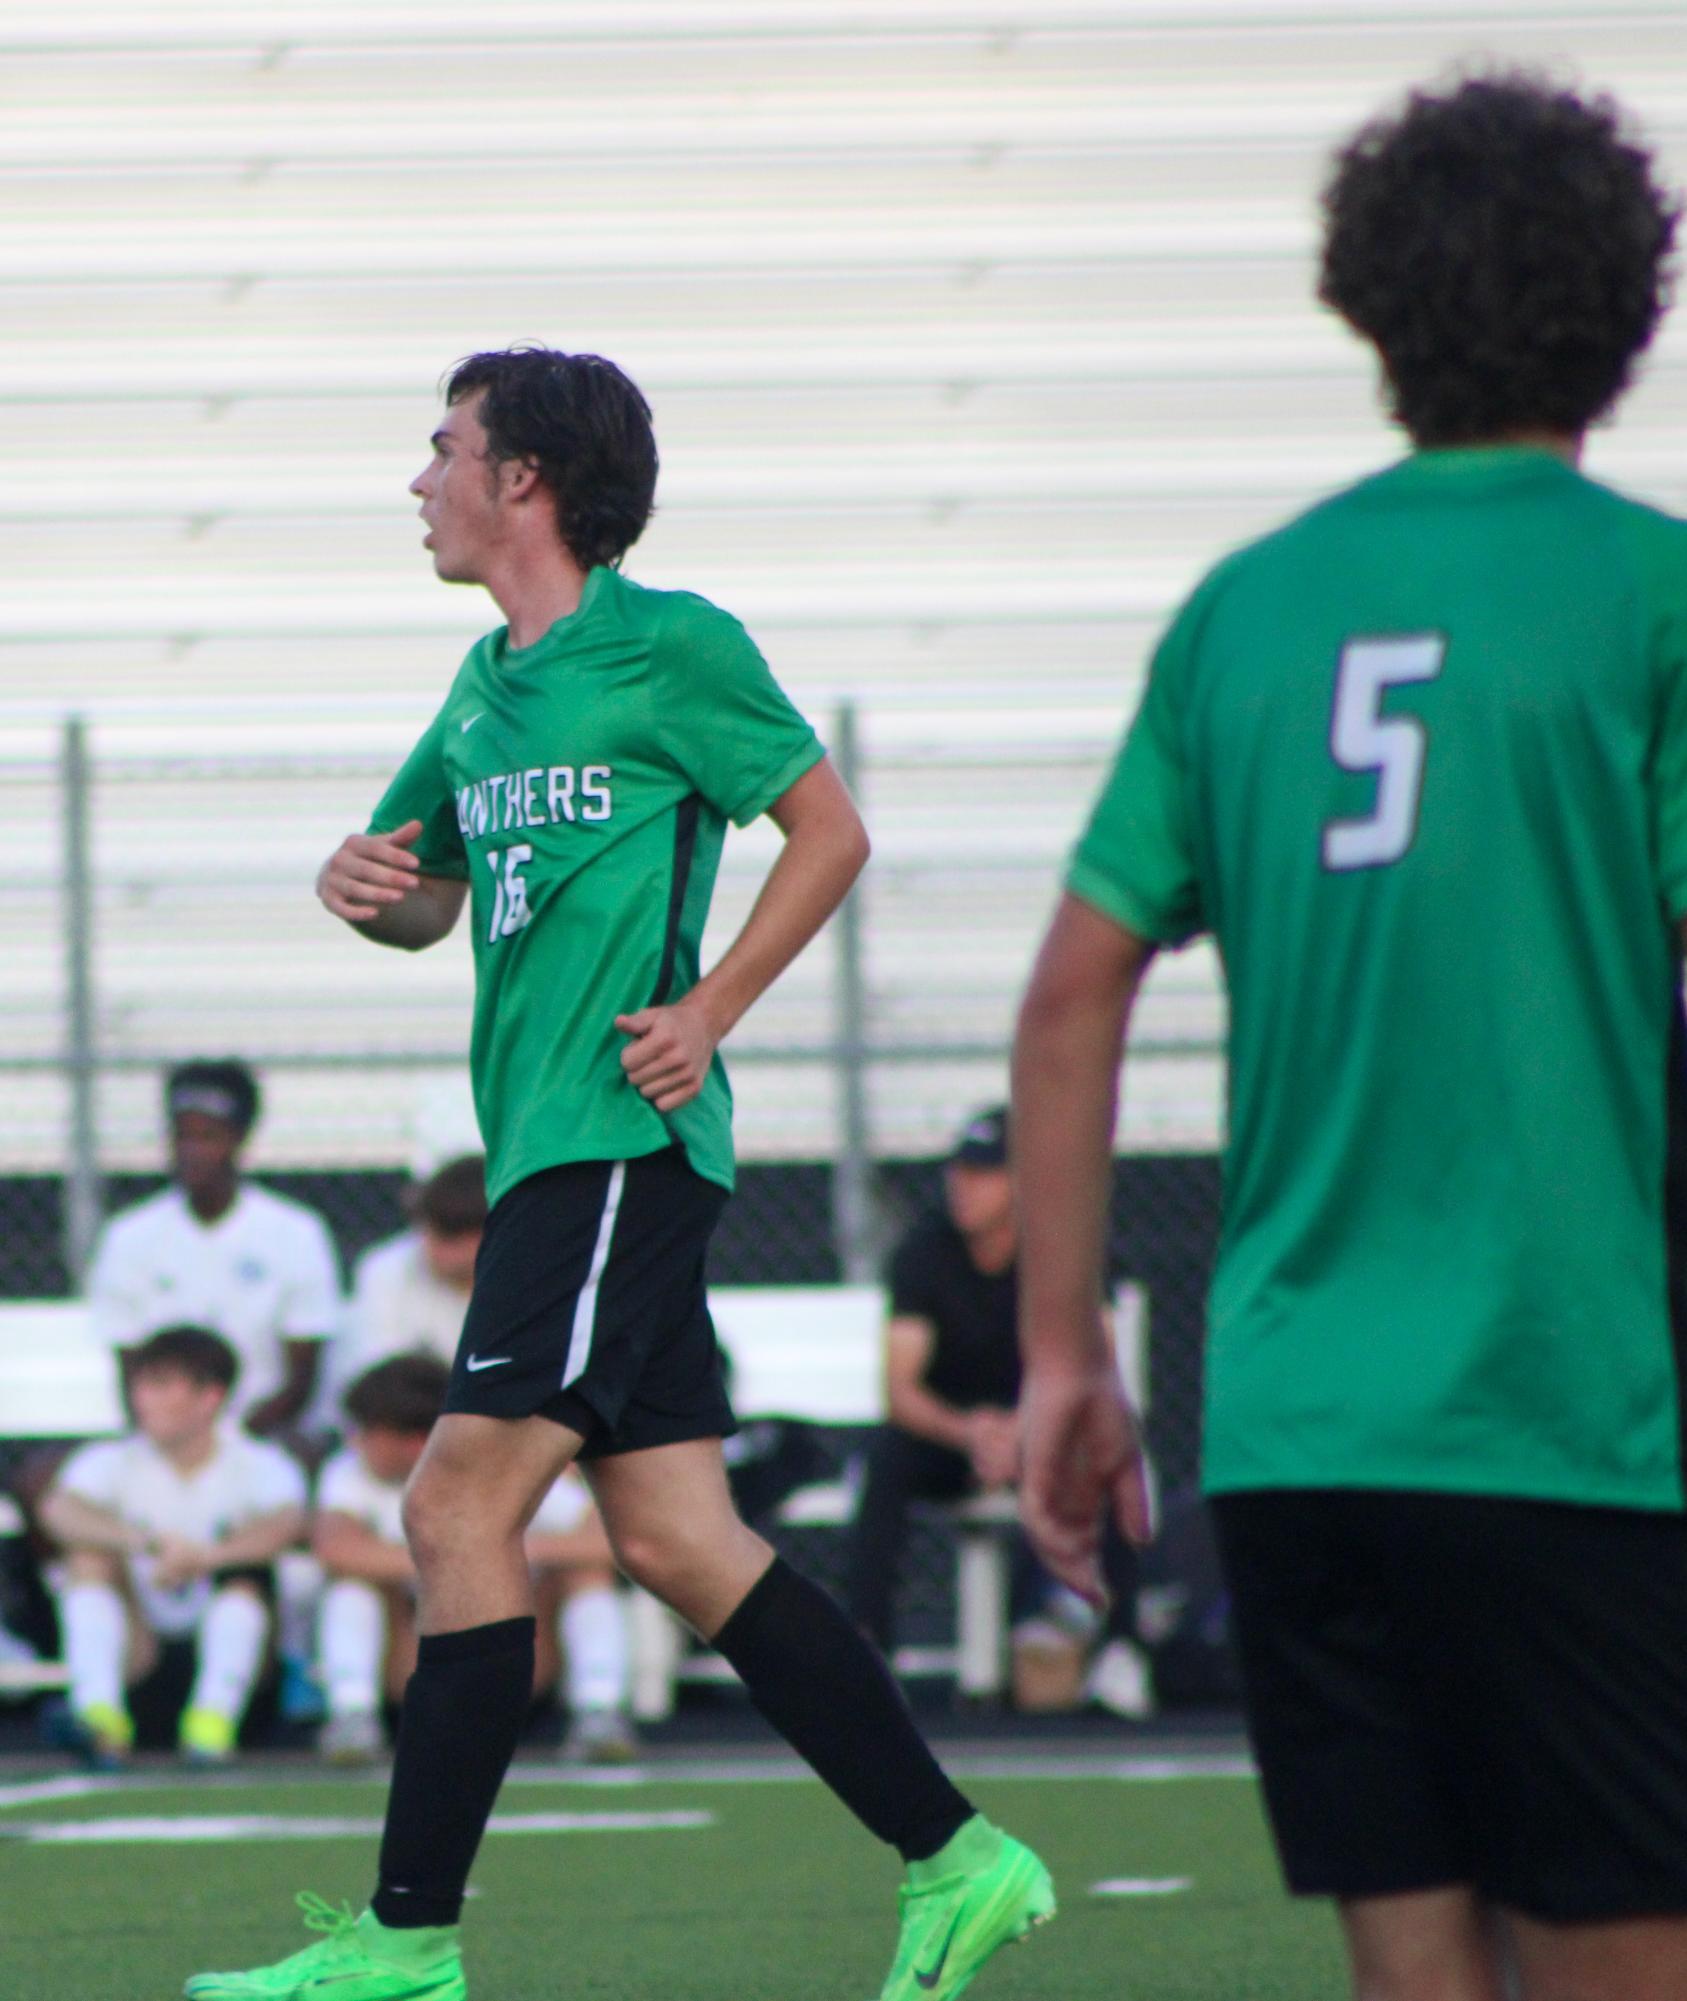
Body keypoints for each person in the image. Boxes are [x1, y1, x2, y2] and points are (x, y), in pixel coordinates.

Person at [185, 346, 1052, 2001]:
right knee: (675, 1539)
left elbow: (829, 828)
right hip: (543, 1163)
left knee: (453, 1501)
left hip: (616, 1148)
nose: (417, 479)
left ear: (523, 478)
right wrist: (362, 886)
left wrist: (711, 1006)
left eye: (439, 447)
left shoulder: (673, 647)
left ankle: (410, 1941)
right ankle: (961, 1858)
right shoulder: (477, 683)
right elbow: (427, 893)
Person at [1013, 72, 1687, 2001]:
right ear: (1627, 303)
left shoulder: (1245, 607)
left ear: (1367, 306)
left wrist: (1065, 1352)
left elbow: (1071, 989)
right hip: (1567, 1412)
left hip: (1301, 1433)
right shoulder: (1641, 591)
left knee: (1415, 1975)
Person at [843, 1107, 1146, 1713]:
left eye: (984, 1173)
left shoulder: (1068, 1248)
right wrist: (971, 1432)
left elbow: (1096, 1369)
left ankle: (1121, 1650)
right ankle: (869, 1651)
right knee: (885, 1462)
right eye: (960, 1171)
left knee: (1114, 1456)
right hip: (955, 1438)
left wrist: (1027, 1431)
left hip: (1047, 1430)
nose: (964, 1186)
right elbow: (900, 1388)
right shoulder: (924, 1253)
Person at [315, 1353, 633, 1765]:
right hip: (412, 1663)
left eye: (367, 1431)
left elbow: (608, 1541)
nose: (356, 1442)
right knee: (352, 1587)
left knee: (586, 1575)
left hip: (515, 1661)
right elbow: (335, 1550)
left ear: (414, 1439)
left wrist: (514, 1550)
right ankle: (352, 1714)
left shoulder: (502, 1469)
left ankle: (598, 1708)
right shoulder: (351, 1474)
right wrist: (462, 1560)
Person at [38, 1326, 308, 1766]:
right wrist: (148, 1543)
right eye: (141, 1385)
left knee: (246, 1579)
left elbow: (287, 1525)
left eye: (161, 1385)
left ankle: (212, 1723)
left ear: (210, 1397)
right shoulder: (110, 1460)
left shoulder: (258, 1463)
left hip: (243, 1674)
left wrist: (206, 1558)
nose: (144, 1399)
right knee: (88, 1560)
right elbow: (60, 1511)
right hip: (140, 1654)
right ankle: (100, 1717)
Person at [87, 1060, 341, 1439]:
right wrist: (175, 1436)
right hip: (161, 1438)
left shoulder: (296, 1232)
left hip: (264, 1438)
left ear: (239, 1139)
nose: (191, 1151)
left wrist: (231, 1443)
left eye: (207, 1137)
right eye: (181, 1137)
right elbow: (130, 1370)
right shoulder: (129, 1235)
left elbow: (301, 1378)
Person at [315, 1154, 489, 1431]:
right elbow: (378, 1383)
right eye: (428, 1229)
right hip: (411, 1429)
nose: (429, 1245)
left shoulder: (535, 1276)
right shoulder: (384, 1267)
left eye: (449, 1236)